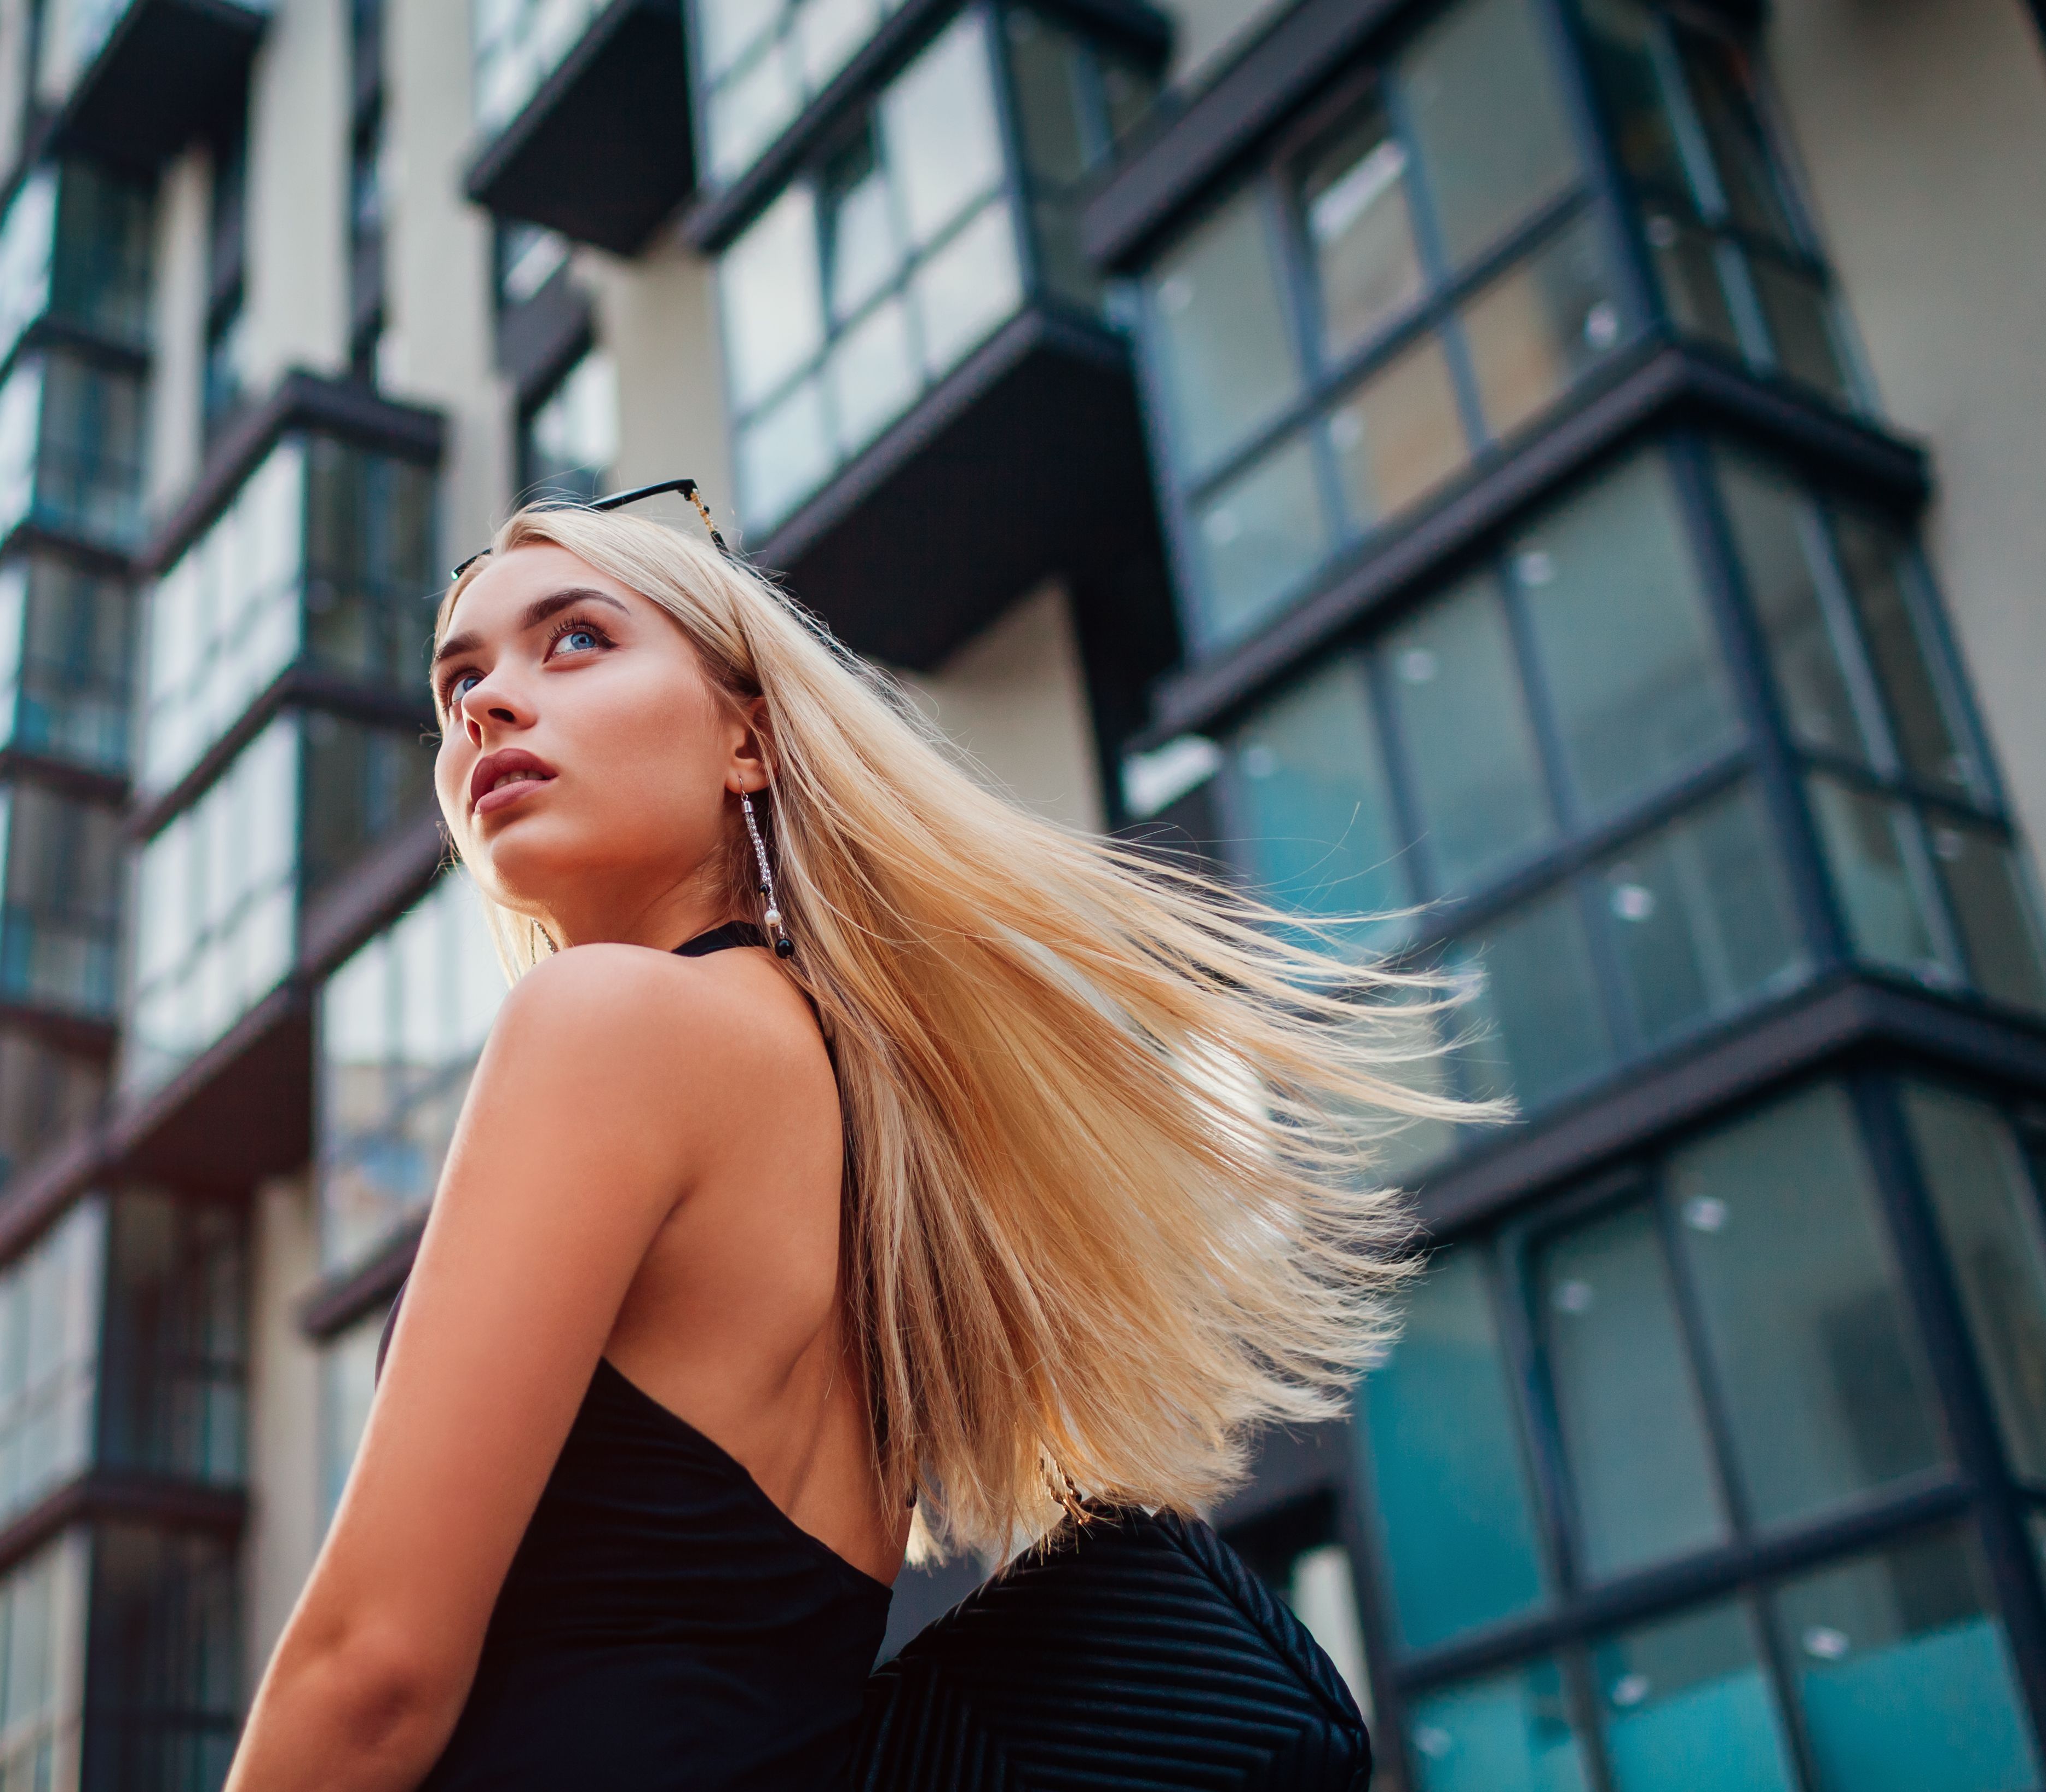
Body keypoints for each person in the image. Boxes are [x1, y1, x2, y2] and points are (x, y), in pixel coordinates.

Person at [218, 494, 1468, 1792]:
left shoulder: (609, 1021)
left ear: (748, 740)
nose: (484, 704)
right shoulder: (856, 1121)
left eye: (575, 640)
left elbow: (370, 1669)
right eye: (457, 679)